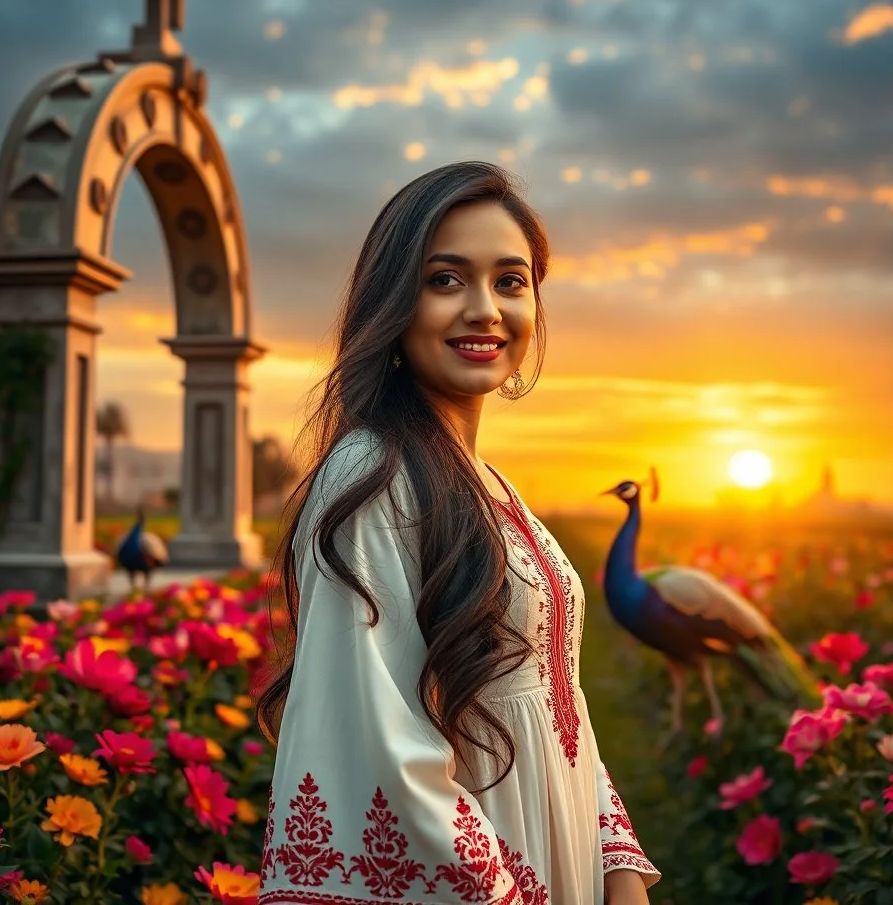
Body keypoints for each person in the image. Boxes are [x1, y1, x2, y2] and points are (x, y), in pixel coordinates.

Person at [256, 162, 660, 904]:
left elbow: (553, 699)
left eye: (510, 281)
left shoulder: (490, 485)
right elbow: (383, 750)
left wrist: (618, 868)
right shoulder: (371, 478)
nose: (485, 309)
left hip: (560, 851)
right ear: (394, 302)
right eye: (446, 280)